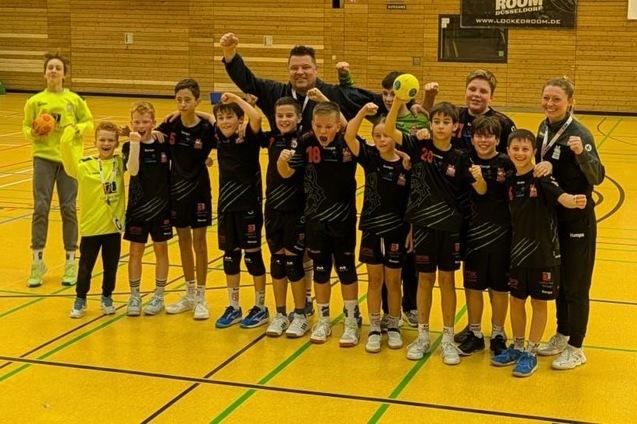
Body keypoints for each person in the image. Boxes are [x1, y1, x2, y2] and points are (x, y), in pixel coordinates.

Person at [385, 99, 485, 365]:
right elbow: (389, 129)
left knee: (448, 281)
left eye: (446, 122)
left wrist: (479, 178)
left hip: (450, 229)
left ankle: (448, 339)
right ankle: (423, 336)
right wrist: (398, 101)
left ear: (455, 127)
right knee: (425, 280)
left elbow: (480, 190)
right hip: (423, 227)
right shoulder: (420, 146)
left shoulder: (461, 157)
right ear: (430, 124)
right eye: (436, 121)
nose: (440, 126)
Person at [492, 129, 587, 377]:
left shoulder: (542, 177)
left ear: (534, 152)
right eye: (515, 149)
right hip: (518, 254)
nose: (520, 153)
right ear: (508, 151)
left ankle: (531, 352)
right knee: (516, 301)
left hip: (544, 254)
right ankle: (518, 346)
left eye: (525, 149)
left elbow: (561, 197)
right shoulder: (509, 180)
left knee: (538, 303)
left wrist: (574, 200)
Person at [534, 77, 605, 369]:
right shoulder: (543, 128)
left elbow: (598, 176)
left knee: (576, 285)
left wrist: (581, 154)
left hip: (578, 219)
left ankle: (577, 346)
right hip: (554, 218)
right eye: (546, 98)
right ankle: (562, 334)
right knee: (560, 282)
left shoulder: (580, 133)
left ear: (570, 102)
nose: (550, 104)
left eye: (557, 99)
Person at [278, 101, 360, 346]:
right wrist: (282, 160)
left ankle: (351, 322)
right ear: (312, 125)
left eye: (328, 126)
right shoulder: (306, 142)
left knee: (346, 270)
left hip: (343, 219)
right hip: (315, 219)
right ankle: (324, 320)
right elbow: (286, 173)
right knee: (321, 270)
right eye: (319, 126)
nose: (323, 131)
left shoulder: (348, 142)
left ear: (338, 126)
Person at [23, 52, 94, 287]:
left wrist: (76, 129)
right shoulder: (35, 101)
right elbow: (25, 127)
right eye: (50, 68)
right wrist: (33, 132)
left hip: (68, 160)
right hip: (43, 158)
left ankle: (71, 261)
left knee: (68, 209)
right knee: (40, 208)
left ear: (64, 74)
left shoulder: (74, 100)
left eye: (58, 68)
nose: (53, 71)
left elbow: (89, 123)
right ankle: (37, 261)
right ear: (44, 73)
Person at [219, 32, 385, 132]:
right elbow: (247, 82)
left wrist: (403, 102)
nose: (300, 72)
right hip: (284, 174)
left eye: (305, 67)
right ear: (288, 70)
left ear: (316, 69)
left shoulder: (335, 94)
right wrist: (229, 52)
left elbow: (379, 101)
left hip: (325, 174)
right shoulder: (275, 93)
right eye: (294, 68)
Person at [344, 102, 411, 353]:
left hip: (397, 231)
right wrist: (362, 112)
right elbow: (349, 135)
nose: (382, 140)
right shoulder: (370, 158)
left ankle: (393, 325)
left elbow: (412, 200)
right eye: (377, 136)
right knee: (374, 280)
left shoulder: (407, 165)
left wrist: (411, 230)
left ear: (394, 136)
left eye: (386, 135)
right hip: (372, 229)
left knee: (394, 281)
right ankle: (374, 327)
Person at [157, 79, 216, 320]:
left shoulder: (206, 128)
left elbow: (225, 131)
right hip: (176, 190)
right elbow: (149, 135)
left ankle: (201, 296)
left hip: (199, 190)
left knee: (199, 242)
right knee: (182, 240)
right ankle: (189, 293)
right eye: (179, 100)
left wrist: (207, 115)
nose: (182, 104)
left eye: (188, 100)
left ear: (197, 101)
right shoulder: (170, 125)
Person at [458, 116, 515, 357]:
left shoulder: (507, 163)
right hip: (473, 234)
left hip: (502, 235)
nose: (484, 140)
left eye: (489, 136)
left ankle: (498, 334)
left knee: (499, 287)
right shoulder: (465, 160)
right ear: (472, 138)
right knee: (473, 286)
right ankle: (474, 333)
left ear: (497, 140)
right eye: (479, 135)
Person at [212, 92, 269, 329]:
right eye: (221, 118)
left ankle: (260, 307)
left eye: (230, 117)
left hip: (248, 206)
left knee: (253, 256)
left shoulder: (248, 137)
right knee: (230, 257)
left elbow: (256, 118)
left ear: (239, 120)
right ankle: (233, 306)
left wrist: (236, 99)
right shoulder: (219, 136)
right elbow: (206, 117)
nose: (225, 122)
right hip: (226, 207)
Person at [60, 121, 124, 318]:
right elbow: (66, 150)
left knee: (111, 267)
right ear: (95, 142)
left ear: (117, 143)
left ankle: (107, 297)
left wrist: (130, 133)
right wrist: (73, 129)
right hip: (91, 228)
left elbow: (137, 151)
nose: (106, 144)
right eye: (102, 140)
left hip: (112, 228)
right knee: (85, 268)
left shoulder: (119, 163)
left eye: (111, 140)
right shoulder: (84, 166)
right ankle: (80, 299)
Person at [262, 97, 310, 338]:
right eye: (279, 115)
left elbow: (287, 174)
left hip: (296, 211)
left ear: (299, 117)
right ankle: (280, 314)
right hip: (273, 209)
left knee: (293, 262)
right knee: (277, 262)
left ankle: (300, 314)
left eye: (289, 115)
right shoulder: (272, 138)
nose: (284, 119)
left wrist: (284, 161)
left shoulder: (304, 140)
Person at [122, 102, 172, 316]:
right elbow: (133, 170)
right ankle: (135, 296)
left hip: (161, 207)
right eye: (136, 122)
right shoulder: (128, 146)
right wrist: (135, 143)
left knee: (161, 250)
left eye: (145, 121)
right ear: (131, 123)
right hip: (137, 209)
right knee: (135, 252)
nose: (141, 126)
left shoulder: (163, 143)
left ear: (153, 122)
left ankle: (159, 296)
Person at [422, 69, 515, 153]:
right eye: (472, 89)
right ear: (465, 92)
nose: (476, 94)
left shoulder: (504, 124)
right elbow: (426, 121)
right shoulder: (453, 115)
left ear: (491, 97)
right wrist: (429, 97)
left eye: (483, 91)